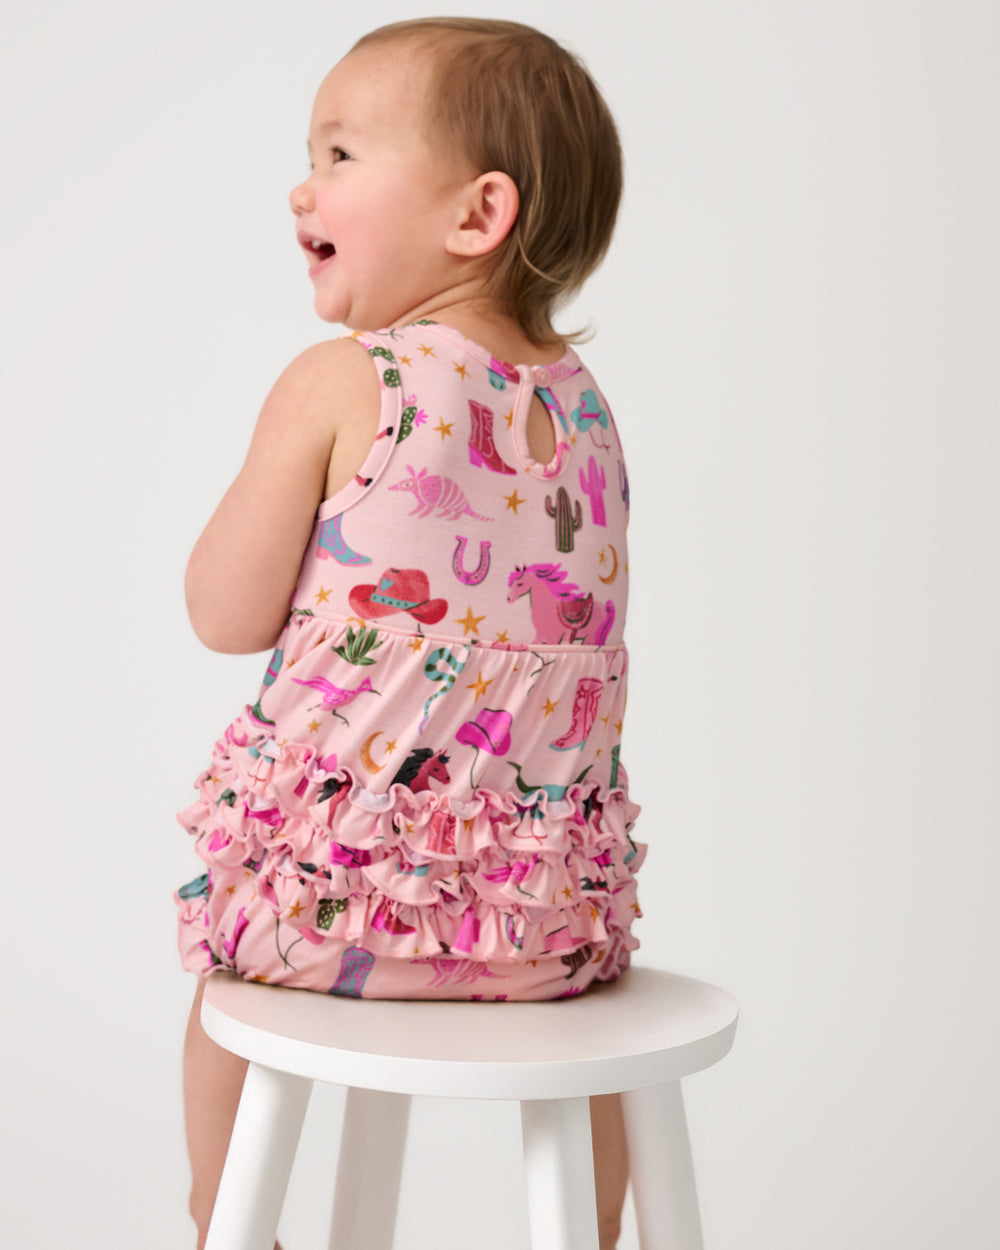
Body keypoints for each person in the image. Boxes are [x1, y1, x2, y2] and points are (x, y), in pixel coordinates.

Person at [175, 17, 647, 1250]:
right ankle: (594, 1230)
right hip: (546, 935)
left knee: (219, 989)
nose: (301, 185)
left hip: (326, 920)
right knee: (602, 1039)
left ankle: (224, 1220)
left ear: (476, 214)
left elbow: (221, 615)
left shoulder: (346, 379)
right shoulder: (590, 415)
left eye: (337, 153)